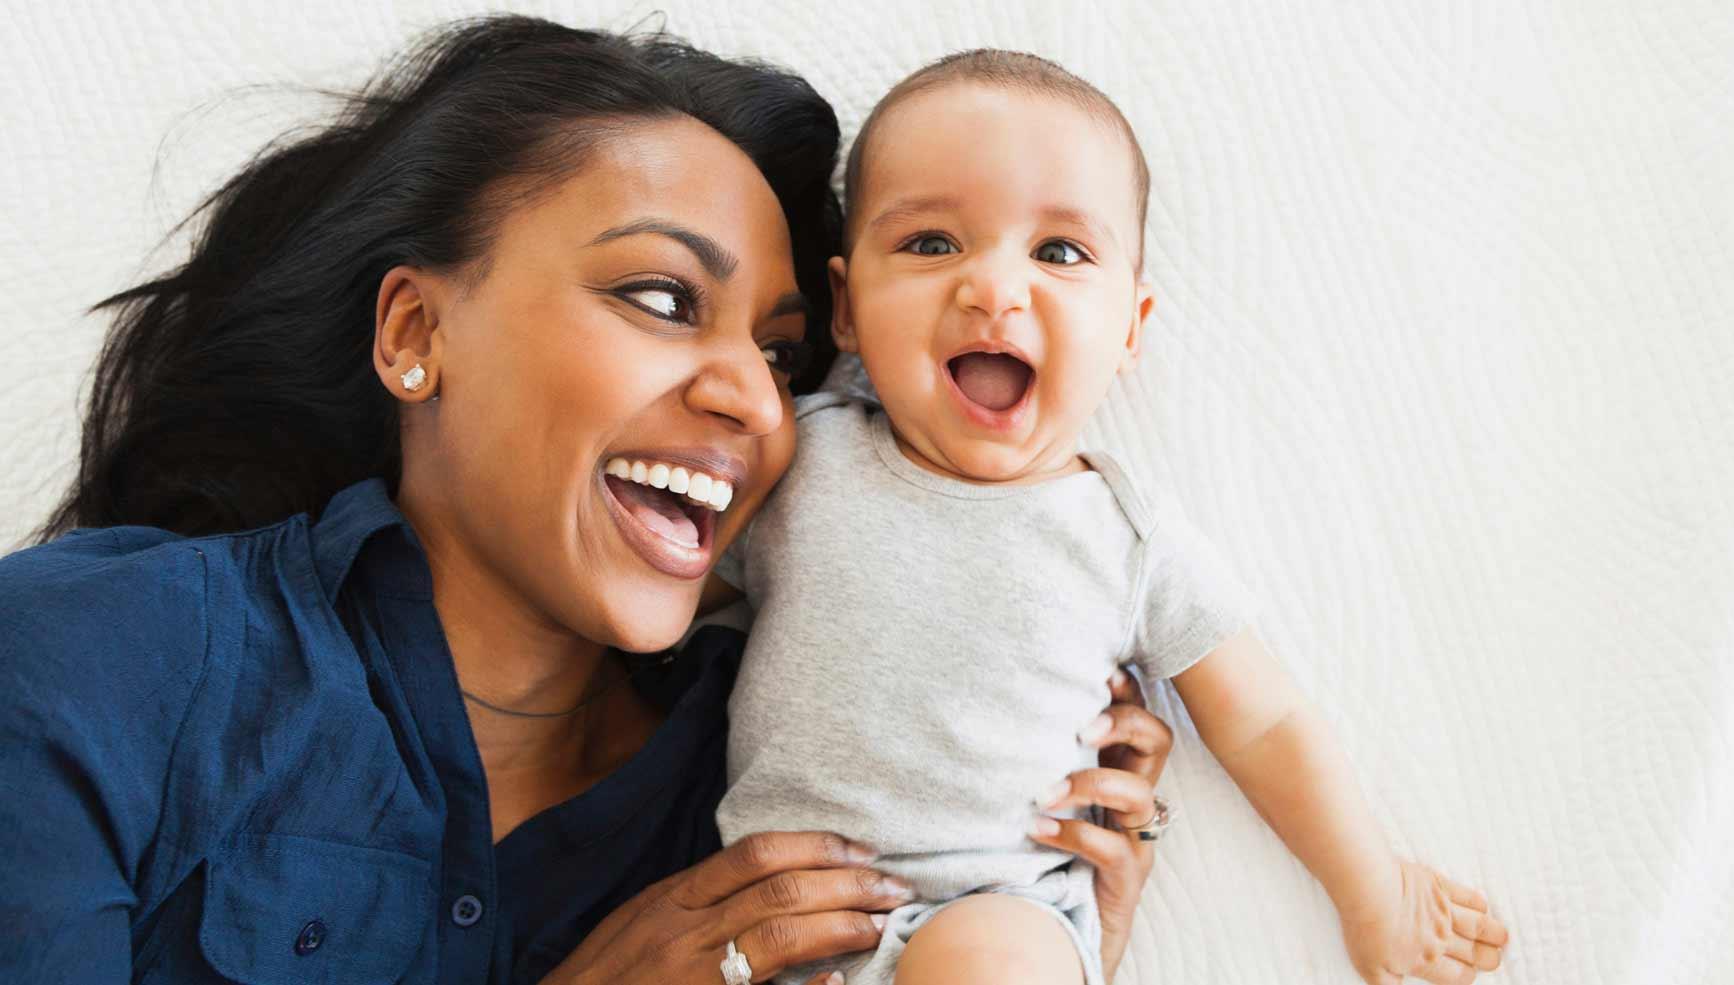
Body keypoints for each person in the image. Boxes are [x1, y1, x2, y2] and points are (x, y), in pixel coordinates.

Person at [0, 19, 1173, 984]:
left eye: (780, 357)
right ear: (416, 331)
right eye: (662, 298)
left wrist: (1039, 918)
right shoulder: (99, 656)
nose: (755, 407)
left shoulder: (758, 812)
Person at [708, 51, 1512, 985]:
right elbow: (660, 594)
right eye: (931, 243)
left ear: (1130, 328)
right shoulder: (800, 461)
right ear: (846, 308)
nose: (994, 289)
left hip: (995, 907)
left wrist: (1371, 887)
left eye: (1059, 253)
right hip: (775, 921)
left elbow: (1263, 721)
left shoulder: (1126, 535)